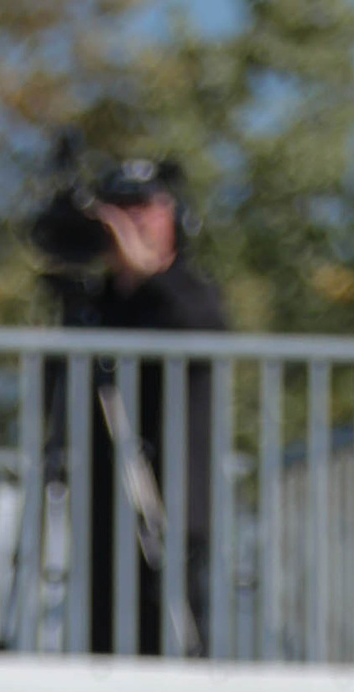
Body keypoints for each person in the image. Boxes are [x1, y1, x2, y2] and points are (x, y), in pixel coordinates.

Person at [34, 154, 226, 658]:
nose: (130, 222)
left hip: (174, 508)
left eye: (144, 207)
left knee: (177, 644)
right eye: (118, 209)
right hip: (104, 508)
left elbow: (206, 333)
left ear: (175, 215)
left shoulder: (189, 291)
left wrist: (148, 272)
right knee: (106, 643)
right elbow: (55, 389)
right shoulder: (95, 307)